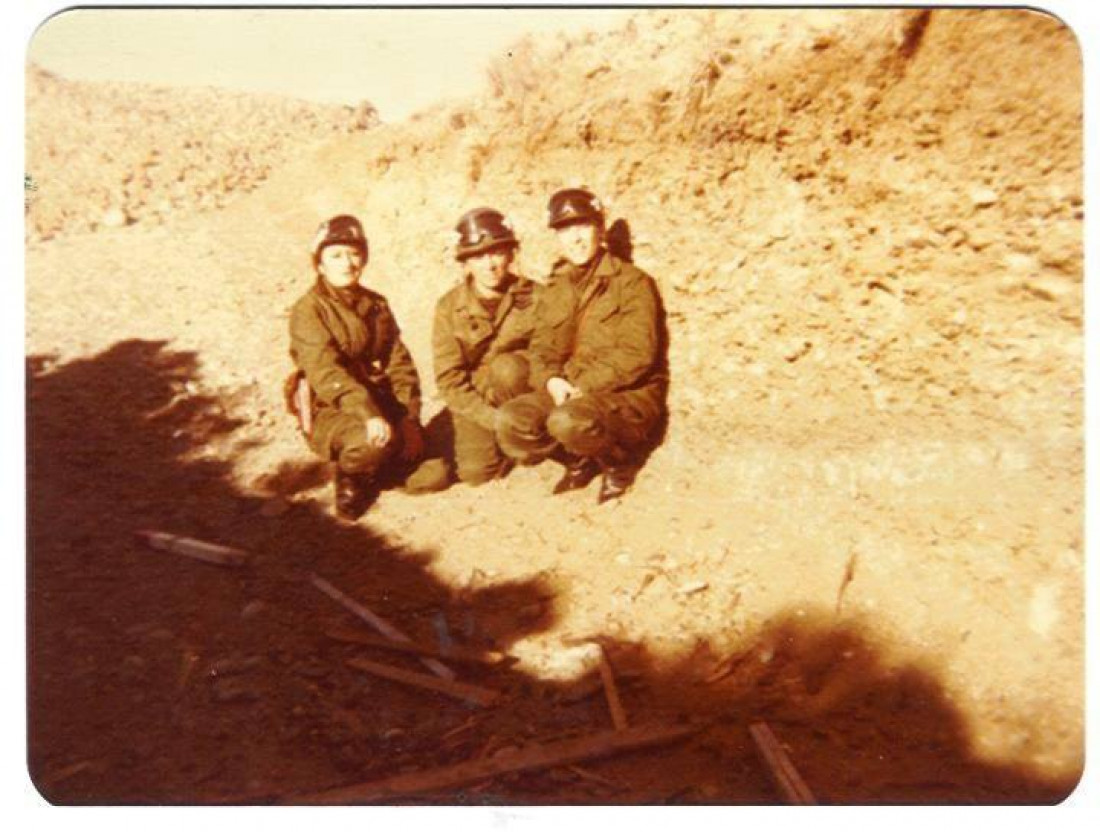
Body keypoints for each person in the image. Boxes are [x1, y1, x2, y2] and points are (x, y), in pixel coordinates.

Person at [497, 188, 668, 503]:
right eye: (564, 230)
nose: (574, 238)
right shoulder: (557, 288)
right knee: (512, 421)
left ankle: (618, 463)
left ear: (600, 230)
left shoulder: (632, 283)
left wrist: (582, 386)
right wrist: (551, 379)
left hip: (627, 396)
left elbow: (638, 355)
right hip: (573, 391)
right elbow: (542, 347)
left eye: (582, 227)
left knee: (566, 420)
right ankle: (579, 461)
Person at [287, 214, 446, 520]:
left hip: (377, 400)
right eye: (336, 256)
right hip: (331, 407)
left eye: (354, 254)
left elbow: (399, 363)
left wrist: (409, 419)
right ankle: (352, 474)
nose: (347, 263)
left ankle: (382, 463)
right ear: (320, 265)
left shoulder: (376, 304)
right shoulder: (308, 310)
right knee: (370, 442)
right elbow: (326, 373)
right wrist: (369, 415)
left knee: (435, 474)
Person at [432, 207, 538, 485]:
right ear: (465, 264)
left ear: (511, 255)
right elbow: (450, 381)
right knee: (476, 475)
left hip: (521, 388)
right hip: (478, 397)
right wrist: (492, 419)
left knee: (508, 368)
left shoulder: (536, 296)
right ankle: (504, 440)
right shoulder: (448, 308)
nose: (489, 265)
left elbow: (554, 353)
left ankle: (531, 441)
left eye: (497, 253)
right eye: (478, 257)